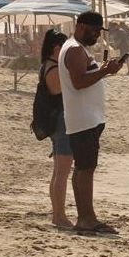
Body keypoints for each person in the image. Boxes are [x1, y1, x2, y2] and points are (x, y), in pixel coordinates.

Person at [59, 11, 126, 235]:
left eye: (99, 31)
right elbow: (78, 82)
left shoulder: (75, 48)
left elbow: (84, 78)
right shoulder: (75, 50)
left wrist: (104, 71)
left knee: (82, 168)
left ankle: (84, 218)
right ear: (81, 26)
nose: (97, 34)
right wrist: (105, 70)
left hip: (83, 118)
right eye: (94, 30)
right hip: (84, 119)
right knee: (86, 169)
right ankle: (87, 218)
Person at [39, 30, 73, 229]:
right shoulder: (52, 68)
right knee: (62, 172)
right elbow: (59, 90)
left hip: (59, 120)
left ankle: (58, 214)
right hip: (60, 121)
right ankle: (59, 215)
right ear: (56, 48)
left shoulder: (50, 66)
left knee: (59, 172)